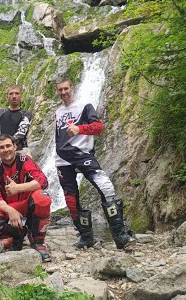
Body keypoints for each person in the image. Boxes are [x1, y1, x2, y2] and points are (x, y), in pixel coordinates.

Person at [54, 78, 135, 250]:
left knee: (106, 187)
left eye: (66, 89)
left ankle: (120, 235)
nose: (63, 92)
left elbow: (98, 127)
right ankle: (85, 238)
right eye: (60, 90)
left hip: (83, 154)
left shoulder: (85, 106)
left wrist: (80, 129)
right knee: (71, 199)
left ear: (72, 88)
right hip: (62, 160)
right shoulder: (58, 112)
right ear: (57, 91)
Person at [0, 134, 52, 262]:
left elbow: (43, 181)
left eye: (8, 146)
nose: (6, 149)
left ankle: (38, 241)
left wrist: (19, 188)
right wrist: (10, 211)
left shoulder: (24, 159)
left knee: (43, 198)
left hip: (26, 202)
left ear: (15, 147)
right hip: (8, 207)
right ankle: (18, 234)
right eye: (1, 147)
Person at [0, 84, 32, 158]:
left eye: (17, 93)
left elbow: (20, 134)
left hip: (21, 151)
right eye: (11, 94)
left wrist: (0, 148)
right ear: (7, 97)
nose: (14, 96)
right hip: (3, 152)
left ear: (21, 96)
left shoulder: (26, 114)